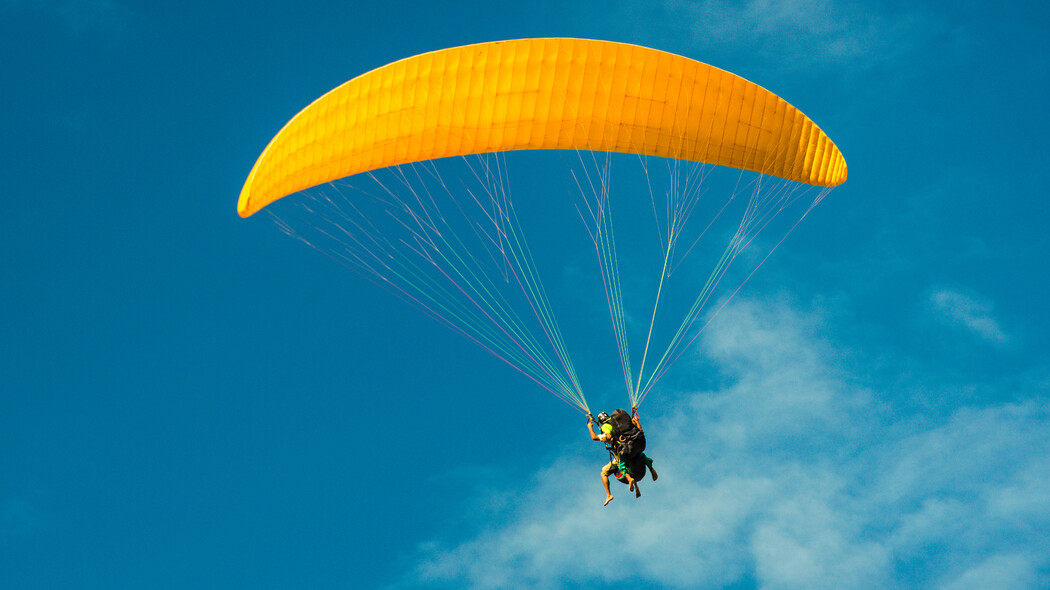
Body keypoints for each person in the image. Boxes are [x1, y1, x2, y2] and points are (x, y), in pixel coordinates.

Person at [588, 410, 658, 506]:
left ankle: (609, 494)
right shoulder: (622, 424)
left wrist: (590, 428)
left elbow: (595, 437)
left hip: (621, 453)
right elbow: (640, 430)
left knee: (605, 472)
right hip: (632, 446)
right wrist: (636, 422)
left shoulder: (605, 427)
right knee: (640, 454)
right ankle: (651, 470)